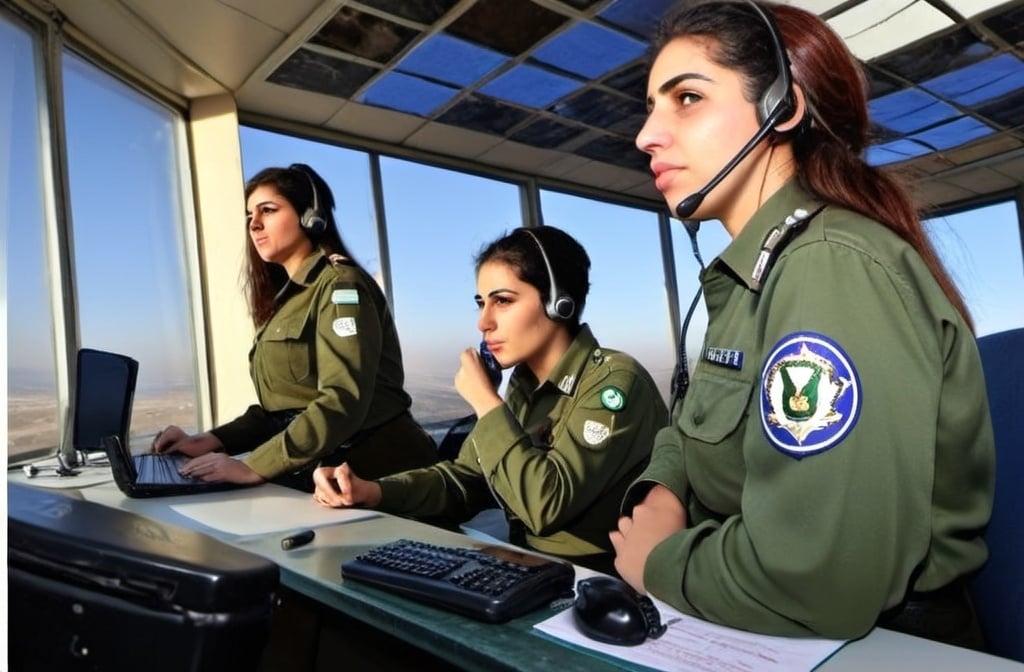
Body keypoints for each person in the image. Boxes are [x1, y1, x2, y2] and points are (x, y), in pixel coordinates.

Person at [611, 0, 995, 647]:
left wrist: (659, 563)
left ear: (781, 109)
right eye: (651, 105)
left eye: (685, 98)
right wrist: (664, 494)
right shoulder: (755, 279)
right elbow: (698, 425)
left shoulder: (827, 268)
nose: (646, 134)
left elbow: (823, 579)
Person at [312, 226, 668, 574]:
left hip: (599, 580)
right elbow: (467, 479)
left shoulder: (615, 382)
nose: (484, 322)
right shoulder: (523, 387)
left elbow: (546, 506)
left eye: (503, 301)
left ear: (559, 303)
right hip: (530, 568)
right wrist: (373, 491)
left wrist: (485, 401)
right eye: (482, 303)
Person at [151, 164, 437, 489]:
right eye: (249, 217)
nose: (254, 224)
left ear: (309, 216)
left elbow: (342, 400)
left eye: (268, 210)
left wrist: (253, 467)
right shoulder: (287, 301)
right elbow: (281, 411)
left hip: (384, 476)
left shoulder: (340, 287)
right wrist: (208, 440)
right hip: (330, 477)